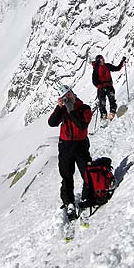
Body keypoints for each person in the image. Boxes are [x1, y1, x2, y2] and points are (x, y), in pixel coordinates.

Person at [48, 84, 92, 219]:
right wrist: (59, 108)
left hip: (80, 144)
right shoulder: (62, 110)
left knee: (87, 171)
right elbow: (52, 123)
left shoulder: (85, 108)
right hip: (65, 145)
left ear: (73, 93)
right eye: (64, 97)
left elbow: (82, 125)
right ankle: (69, 202)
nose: (68, 98)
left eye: (69, 94)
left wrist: (71, 110)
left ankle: (87, 196)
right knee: (66, 175)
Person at [92, 55, 126, 121]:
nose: (103, 60)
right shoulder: (96, 69)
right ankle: (104, 116)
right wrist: (100, 86)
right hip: (102, 87)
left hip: (108, 86)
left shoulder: (107, 66)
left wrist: (122, 62)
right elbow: (94, 80)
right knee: (102, 102)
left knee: (111, 99)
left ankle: (112, 112)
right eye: (102, 59)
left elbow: (117, 68)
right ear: (99, 60)